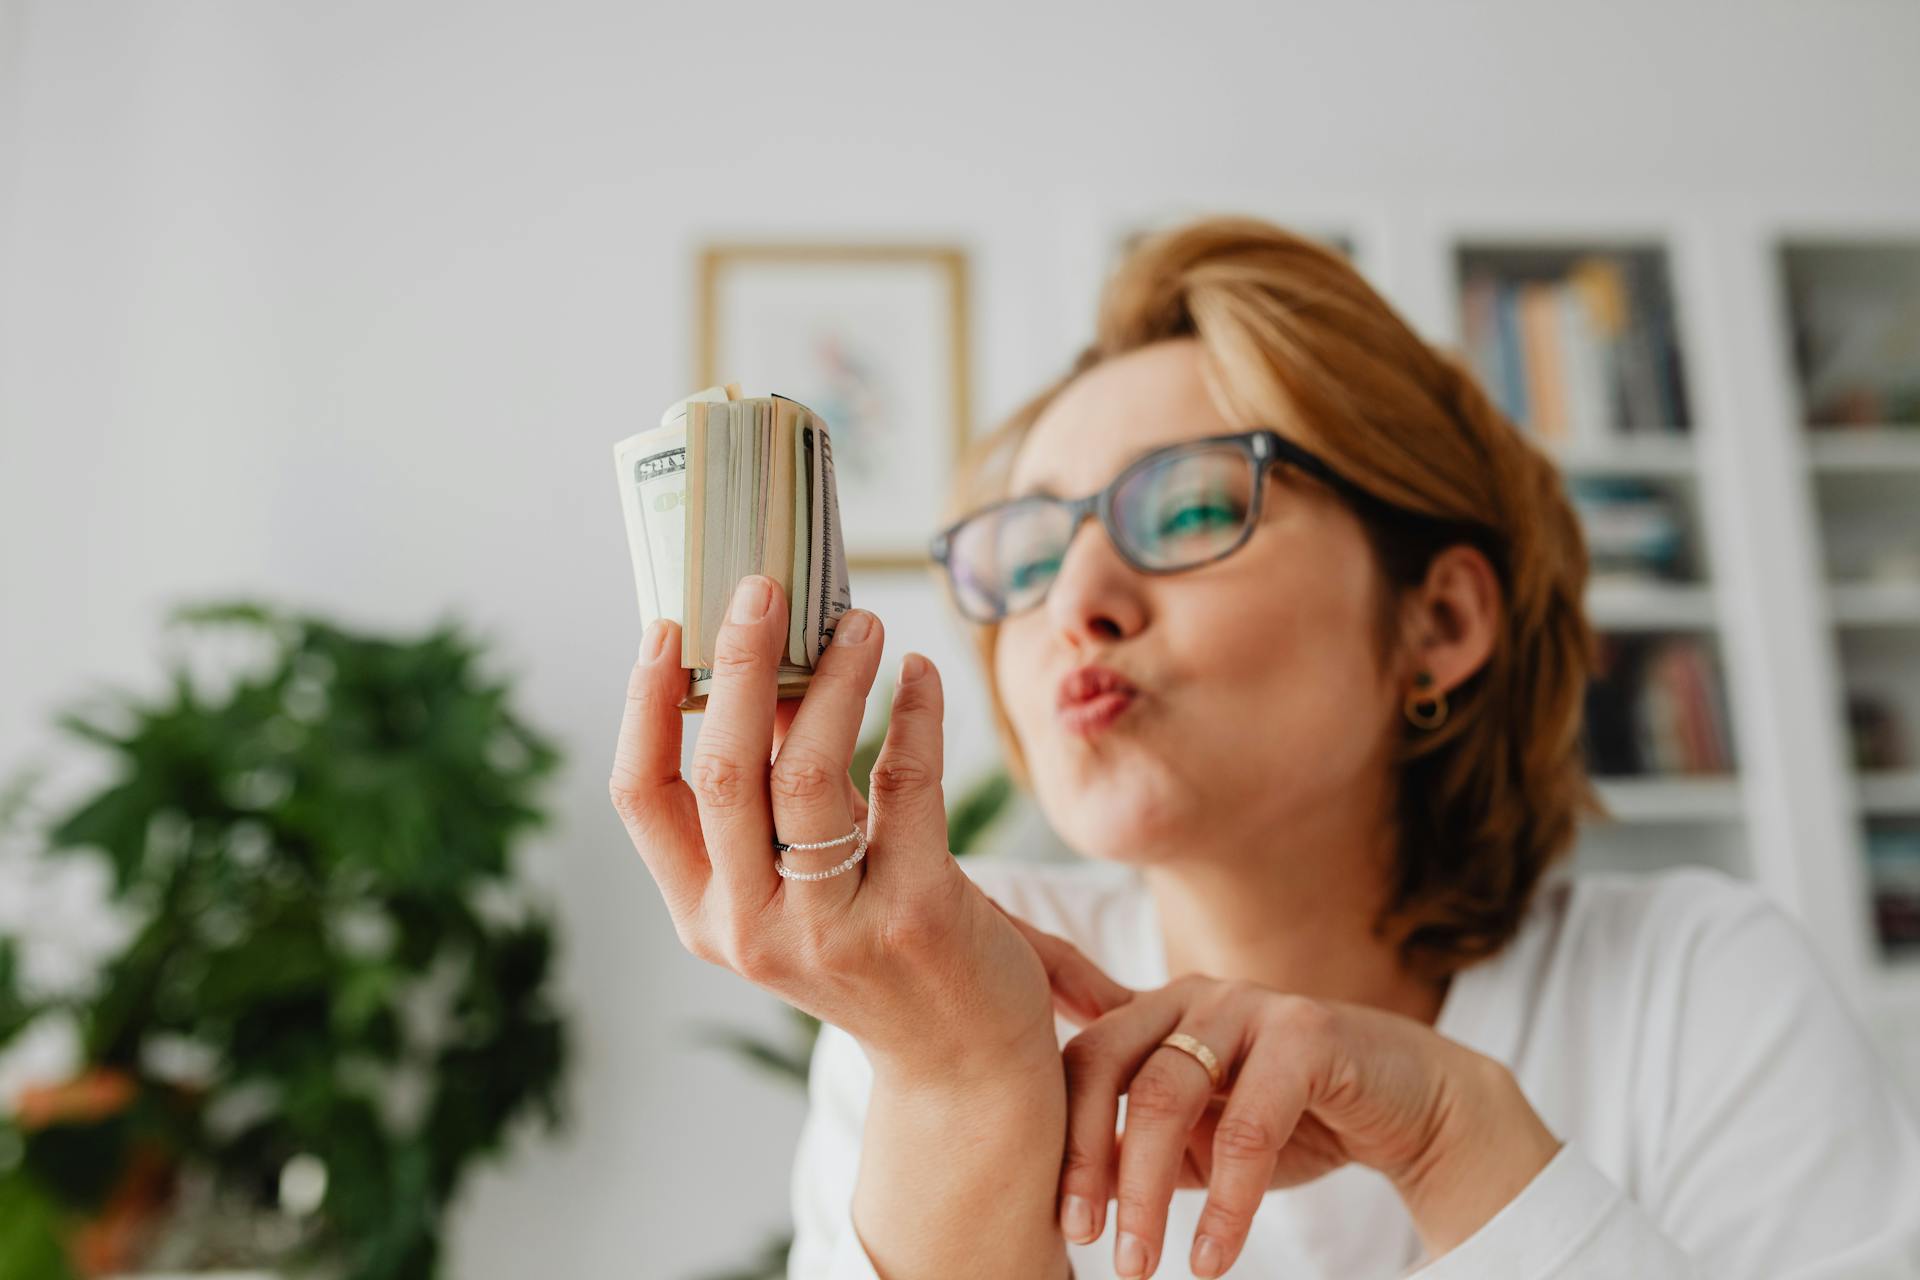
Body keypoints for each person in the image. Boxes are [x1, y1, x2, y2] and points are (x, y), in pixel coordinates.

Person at [610, 216, 1920, 1279]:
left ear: (1442, 621)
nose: (1077, 602)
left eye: (1186, 507)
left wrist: (1454, 1137)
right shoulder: (939, 991)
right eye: (1026, 555)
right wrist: (957, 1086)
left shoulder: (1697, 989)